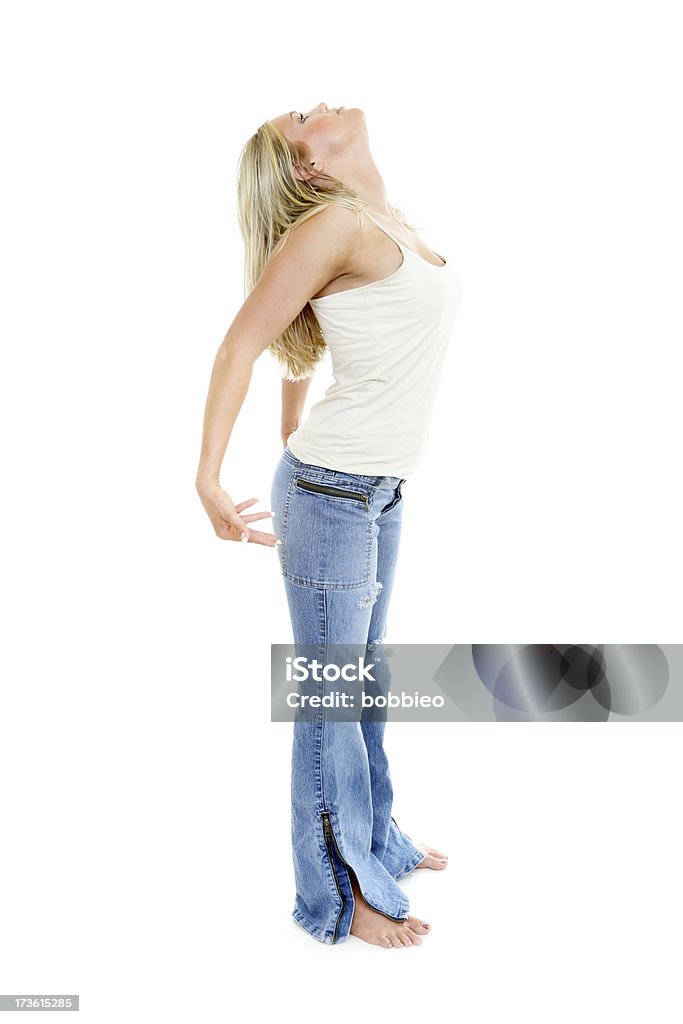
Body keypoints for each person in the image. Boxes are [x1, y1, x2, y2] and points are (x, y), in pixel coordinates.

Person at [195, 102, 463, 948]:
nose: (318, 104)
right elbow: (240, 342)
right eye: (300, 119)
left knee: (364, 683)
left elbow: (305, 337)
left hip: (374, 490)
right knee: (330, 698)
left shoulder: (379, 217)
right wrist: (207, 478)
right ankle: (336, 895)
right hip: (333, 496)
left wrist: (290, 424)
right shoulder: (333, 224)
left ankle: (376, 837)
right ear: (306, 170)